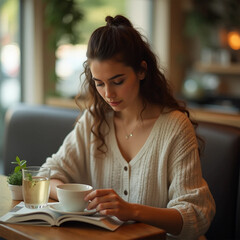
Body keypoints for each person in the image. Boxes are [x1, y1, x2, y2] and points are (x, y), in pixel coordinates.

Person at [42, 15, 215, 239]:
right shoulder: (94, 120)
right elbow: (47, 175)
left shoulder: (174, 128)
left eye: (118, 81)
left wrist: (130, 210)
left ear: (142, 71)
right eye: (99, 83)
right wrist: (85, 196)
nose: (108, 94)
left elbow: (195, 215)